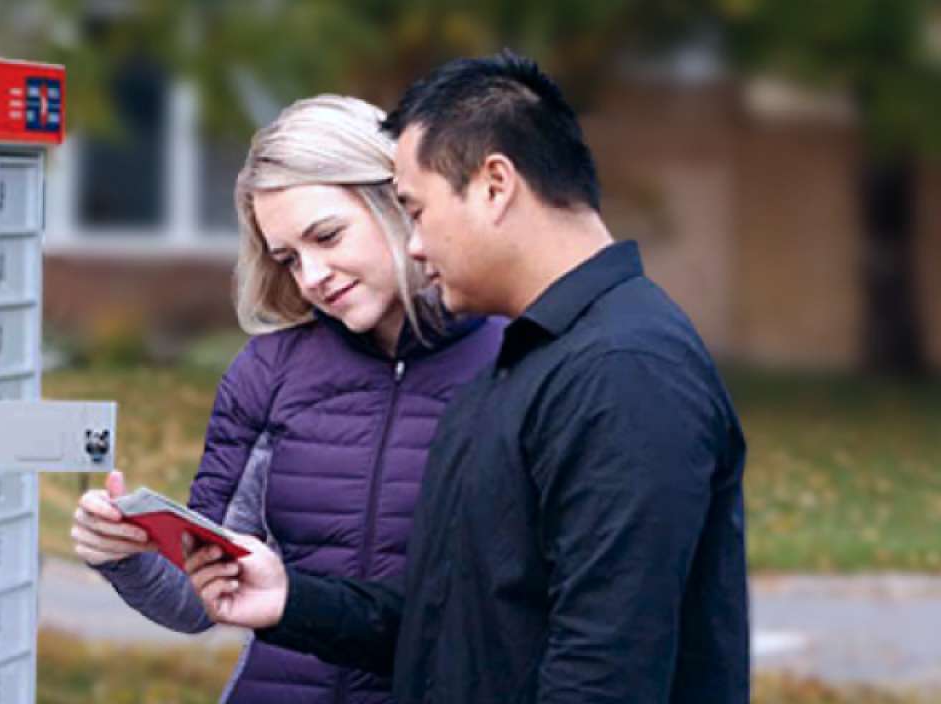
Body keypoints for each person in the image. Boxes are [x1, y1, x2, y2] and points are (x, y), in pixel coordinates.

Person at [186, 51, 750, 703]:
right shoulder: (523, 368)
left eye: (416, 211)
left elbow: (604, 668)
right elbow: (452, 632)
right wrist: (294, 600)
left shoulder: (625, 370)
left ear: (494, 186)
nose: (415, 245)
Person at [67, 95, 504, 703]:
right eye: (288, 258)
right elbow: (201, 600)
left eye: (327, 236)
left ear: (398, 201)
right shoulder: (270, 373)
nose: (313, 275)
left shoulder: (515, 363)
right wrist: (123, 555)